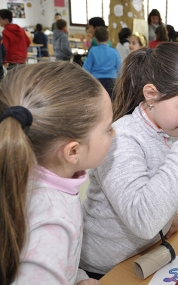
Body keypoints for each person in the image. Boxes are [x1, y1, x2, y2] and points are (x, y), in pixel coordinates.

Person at [79, 43, 178, 279]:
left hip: (145, 254)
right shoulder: (121, 139)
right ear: (151, 95)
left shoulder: (164, 128)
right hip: (106, 267)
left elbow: (156, 183)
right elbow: (143, 221)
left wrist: (166, 216)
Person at [0, 61, 113, 285]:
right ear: (73, 151)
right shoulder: (51, 224)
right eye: (108, 128)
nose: (115, 133)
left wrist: (75, 276)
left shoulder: (25, 171)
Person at [83, 27, 121, 101]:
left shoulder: (92, 51)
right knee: (112, 102)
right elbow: (120, 68)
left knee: (98, 102)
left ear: (95, 38)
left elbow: (86, 68)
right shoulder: (114, 51)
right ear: (108, 38)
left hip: (96, 81)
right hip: (112, 81)